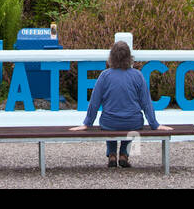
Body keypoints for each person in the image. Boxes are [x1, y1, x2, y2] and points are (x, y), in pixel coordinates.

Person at [69, 40, 171, 168]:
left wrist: (87, 123)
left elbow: (94, 102)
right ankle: (124, 154)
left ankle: (112, 154)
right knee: (130, 123)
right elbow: (146, 103)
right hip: (133, 122)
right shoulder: (138, 76)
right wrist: (154, 124)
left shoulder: (104, 76)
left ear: (111, 57)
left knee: (109, 122)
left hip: (109, 122)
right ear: (129, 57)